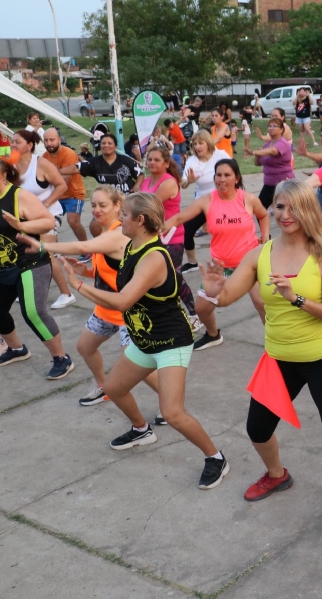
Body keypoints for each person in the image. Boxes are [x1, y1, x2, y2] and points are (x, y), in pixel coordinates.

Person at [199, 179, 322, 536]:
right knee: (258, 429)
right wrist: (212, 289)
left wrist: (296, 297)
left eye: (294, 207)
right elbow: (225, 298)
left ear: (308, 210)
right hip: (279, 358)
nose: (285, 214)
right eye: (280, 207)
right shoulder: (260, 253)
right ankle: (277, 475)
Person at [58, 192, 229, 488]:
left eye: (124, 214)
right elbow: (122, 283)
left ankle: (215, 457)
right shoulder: (131, 248)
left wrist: (79, 286)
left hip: (170, 341)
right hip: (144, 339)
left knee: (173, 412)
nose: (119, 218)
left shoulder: (153, 257)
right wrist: (84, 269)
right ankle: (141, 429)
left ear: (140, 220)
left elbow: (123, 300)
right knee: (114, 388)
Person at [16, 185, 160, 405]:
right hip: (107, 307)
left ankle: (169, 402)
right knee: (85, 346)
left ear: (117, 206)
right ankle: (103, 387)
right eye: (93, 205)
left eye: (103, 205)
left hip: (129, 312)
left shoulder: (118, 233)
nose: (96, 210)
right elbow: (114, 270)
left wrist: (42, 245)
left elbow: (83, 247)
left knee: (139, 367)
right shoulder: (104, 233)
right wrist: (88, 271)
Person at [165, 159, 270, 350]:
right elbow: (180, 217)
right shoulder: (208, 201)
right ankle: (213, 335)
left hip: (249, 264)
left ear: (236, 178)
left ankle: (275, 342)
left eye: (227, 175)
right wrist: (159, 228)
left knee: (262, 303)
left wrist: (265, 236)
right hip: (219, 267)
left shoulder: (248, 199)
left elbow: (263, 215)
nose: (222, 179)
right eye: (218, 175)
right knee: (201, 308)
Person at [0, 155, 74, 379]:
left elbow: (48, 221)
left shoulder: (18, 196)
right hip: (4, 266)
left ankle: (61, 358)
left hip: (30, 261)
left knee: (32, 311)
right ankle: (16, 349)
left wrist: (20, 224)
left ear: (3, 174)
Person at [141, 146, 201, 332]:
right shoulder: (148, 180)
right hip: (152, 235)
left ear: (166, 163)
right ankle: (166, 313)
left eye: (157, 160)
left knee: (174, 276)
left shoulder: (168, 182)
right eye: (150, 159)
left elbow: (146, 204)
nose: (152, 162)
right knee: (155, 277)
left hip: (171, 236)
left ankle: (194, 314)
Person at [13, 130, 73, 309]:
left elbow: (61, 185)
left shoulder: (41, 164)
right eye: (12, 142)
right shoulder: (12, 166)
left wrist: (46, 204)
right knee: (22, 252)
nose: (13, 145)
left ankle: (66, 294)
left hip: (49, 215)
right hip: (25, 217)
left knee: (44, 253)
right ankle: (27, 289)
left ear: (29, 145)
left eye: (17, 142)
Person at [177, 130, 230, 273]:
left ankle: (225, 261)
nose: (197, 146)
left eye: (201, 143)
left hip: (223, 201)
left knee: (222, 232)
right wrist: (189, 180)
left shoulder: (220, 155)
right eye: (194, 144)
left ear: (208, 143)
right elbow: (183, 184)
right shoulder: (192, 161)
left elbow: (233, 174)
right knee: (187, 229)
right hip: (203, 202)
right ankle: (192, 263)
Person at [42, 128, 88, 249]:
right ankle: (54, 250)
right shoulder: (44, 157)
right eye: (46, 140)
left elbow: (64, 181)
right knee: (48, 222)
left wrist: (48, 178)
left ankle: (87, 249)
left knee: (73, 221)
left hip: (74, 193)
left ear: (59, 139)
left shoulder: (68, 153)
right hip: (56, 195)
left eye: (52, 140)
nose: (49, 143)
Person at [253, 117, 295, 211]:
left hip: (284, 183)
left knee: (289, 211)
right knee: (259, 209)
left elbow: (273, 151)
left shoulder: (283, 143)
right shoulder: (267, 144)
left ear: (281, 130)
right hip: (269, 184)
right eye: (269, 126)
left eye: (274, 126)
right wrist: (257, 154)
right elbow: (257, 163)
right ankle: (265, 226)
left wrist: (255, 152)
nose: (271, 128)